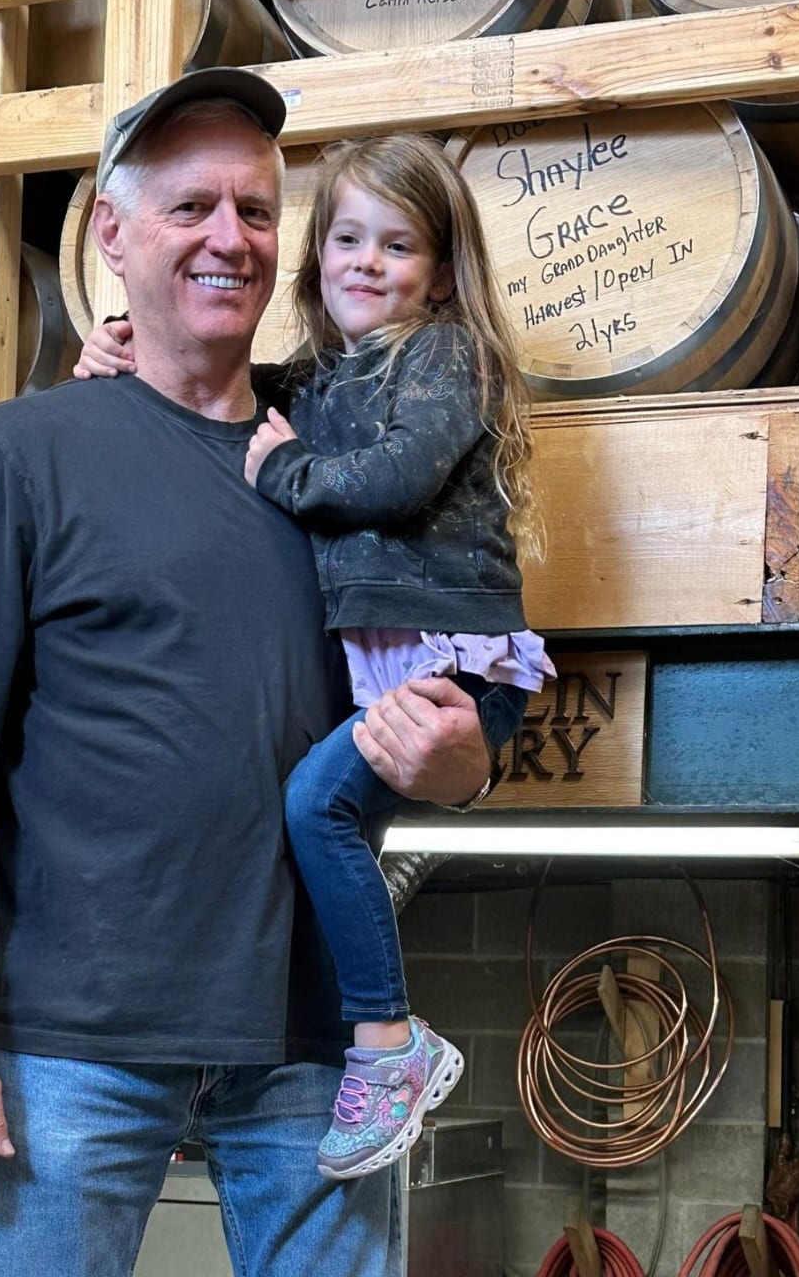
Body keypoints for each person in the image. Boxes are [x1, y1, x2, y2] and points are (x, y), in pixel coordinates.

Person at [0, 68, 499, 1277]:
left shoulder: (340, 453)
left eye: (257, 212)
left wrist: (468, 766)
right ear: (112, 232)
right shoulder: (23, 452)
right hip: (72, 1048)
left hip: (320, 1052)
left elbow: (445, 670)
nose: (230, 238)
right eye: (191, 207)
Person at [77, 130, 554, 1182]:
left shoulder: (447, 357)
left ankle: (387, 1040)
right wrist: (112, 348)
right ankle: (293, 1046)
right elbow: (227, 382)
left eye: (396, 245)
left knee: (313, 808)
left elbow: (390, 476)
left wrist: (285, 472)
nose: (365, 262)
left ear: (438, 276)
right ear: (316, 254)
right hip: (393, 663)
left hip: (453, 657)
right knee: (312, 821)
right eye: (345, 238)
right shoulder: (325, 372)